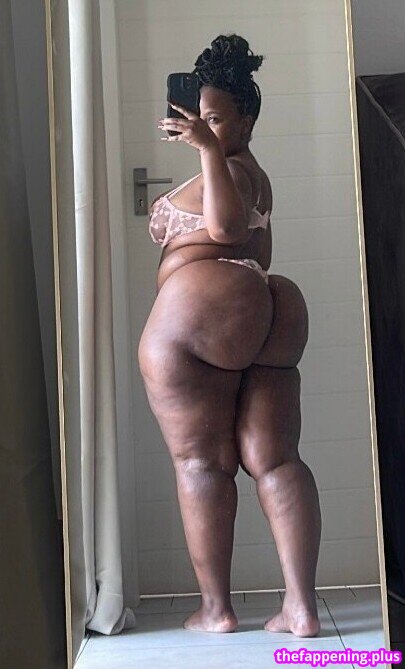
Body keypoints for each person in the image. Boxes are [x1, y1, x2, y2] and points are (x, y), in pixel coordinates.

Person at [138, 34, 321, 638]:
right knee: (275, 458)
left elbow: (225, 228)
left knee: (201, 463)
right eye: (200, 119)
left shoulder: (229, 167)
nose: (205, 129)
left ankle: (216, 610)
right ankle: (300, 608)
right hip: (269, 305)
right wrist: (209, 147)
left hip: (207, 314)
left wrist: (206, 149)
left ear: (246, 122)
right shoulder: (248, 170)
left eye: (217, 120)